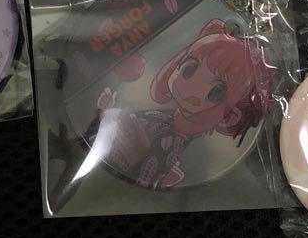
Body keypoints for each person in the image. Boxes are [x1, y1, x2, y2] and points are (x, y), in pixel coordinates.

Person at [93, 19, 272, 189]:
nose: (190, 86)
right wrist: (107, 114)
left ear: (232, 116)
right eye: (190, 67)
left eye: (216, 91)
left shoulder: (172, 146)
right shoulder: (164, 121)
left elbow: (141, 170)